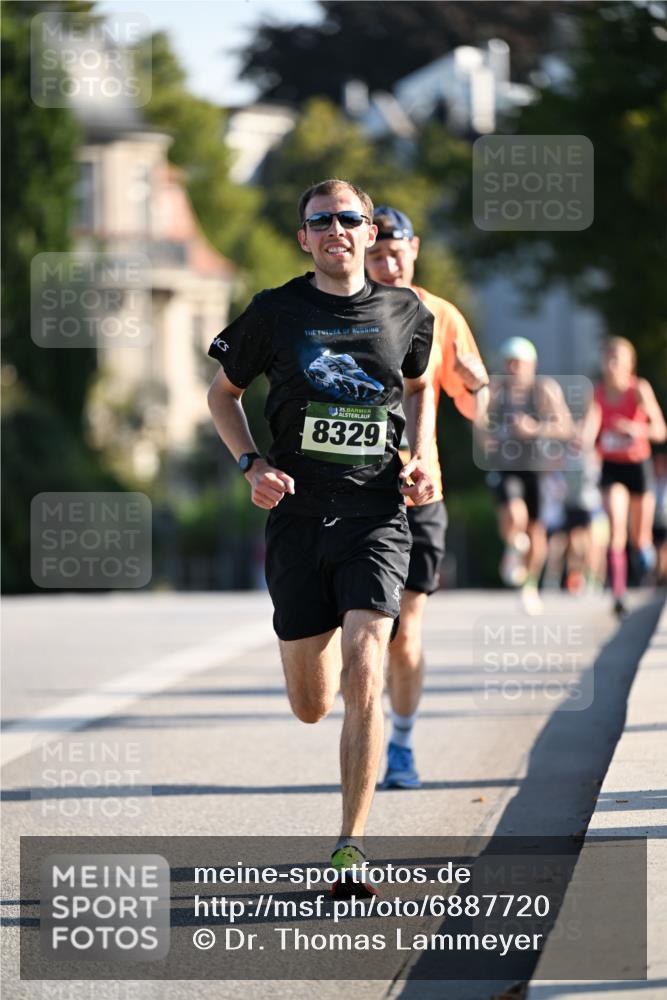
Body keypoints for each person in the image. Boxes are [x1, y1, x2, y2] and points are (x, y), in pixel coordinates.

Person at [206, 179, 435, 894]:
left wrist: (421, 455)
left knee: (368, 666)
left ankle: (351, 847)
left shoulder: (405, 311)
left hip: (375, 516)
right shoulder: (275, 312)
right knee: (311, 704)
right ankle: (324, 648)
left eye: (348, 218)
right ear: (304, 238)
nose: (336, 229)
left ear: (370, 232)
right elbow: (222, 394)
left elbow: (419, 384)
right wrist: (251, 464)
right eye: (321, 221)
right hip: (298, 520)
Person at [364, 206, 488, 790]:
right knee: (365, 634)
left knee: (405, 631)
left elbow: (476, 410)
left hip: (420, 492)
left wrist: (477, 382)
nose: (388, 265)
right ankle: (364, 731)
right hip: (355, 494)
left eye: (397, 254)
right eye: (377, 255)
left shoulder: (441, 316)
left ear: (414, 250)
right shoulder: (343, 310)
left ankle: (402, 744)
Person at [480, 337, 574, 615]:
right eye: (509, 362)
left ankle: (530, 586)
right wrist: (486, 438)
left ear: (531, 365)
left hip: (537, 467)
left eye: (518, 363)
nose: (513, 368)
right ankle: (513, 545)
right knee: (513, 515)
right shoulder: (496, 389)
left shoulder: (544, 389)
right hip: (506, 465)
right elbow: (478, 419)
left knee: (536, 531)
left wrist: (535, 428)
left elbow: (566, 427)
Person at [582, 336, 666, 618]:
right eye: (608, 358)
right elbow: (591, 425)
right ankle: (618, 593)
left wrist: (635, 429)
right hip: (612, 467)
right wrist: (583, 441)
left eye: (617, 358)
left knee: (640, 538)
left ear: (630, 363)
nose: (612, 364)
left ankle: (647, 564)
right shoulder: (597, 392)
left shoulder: (639, 389)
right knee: (616, 529)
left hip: (638, 466)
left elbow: (660, 430)